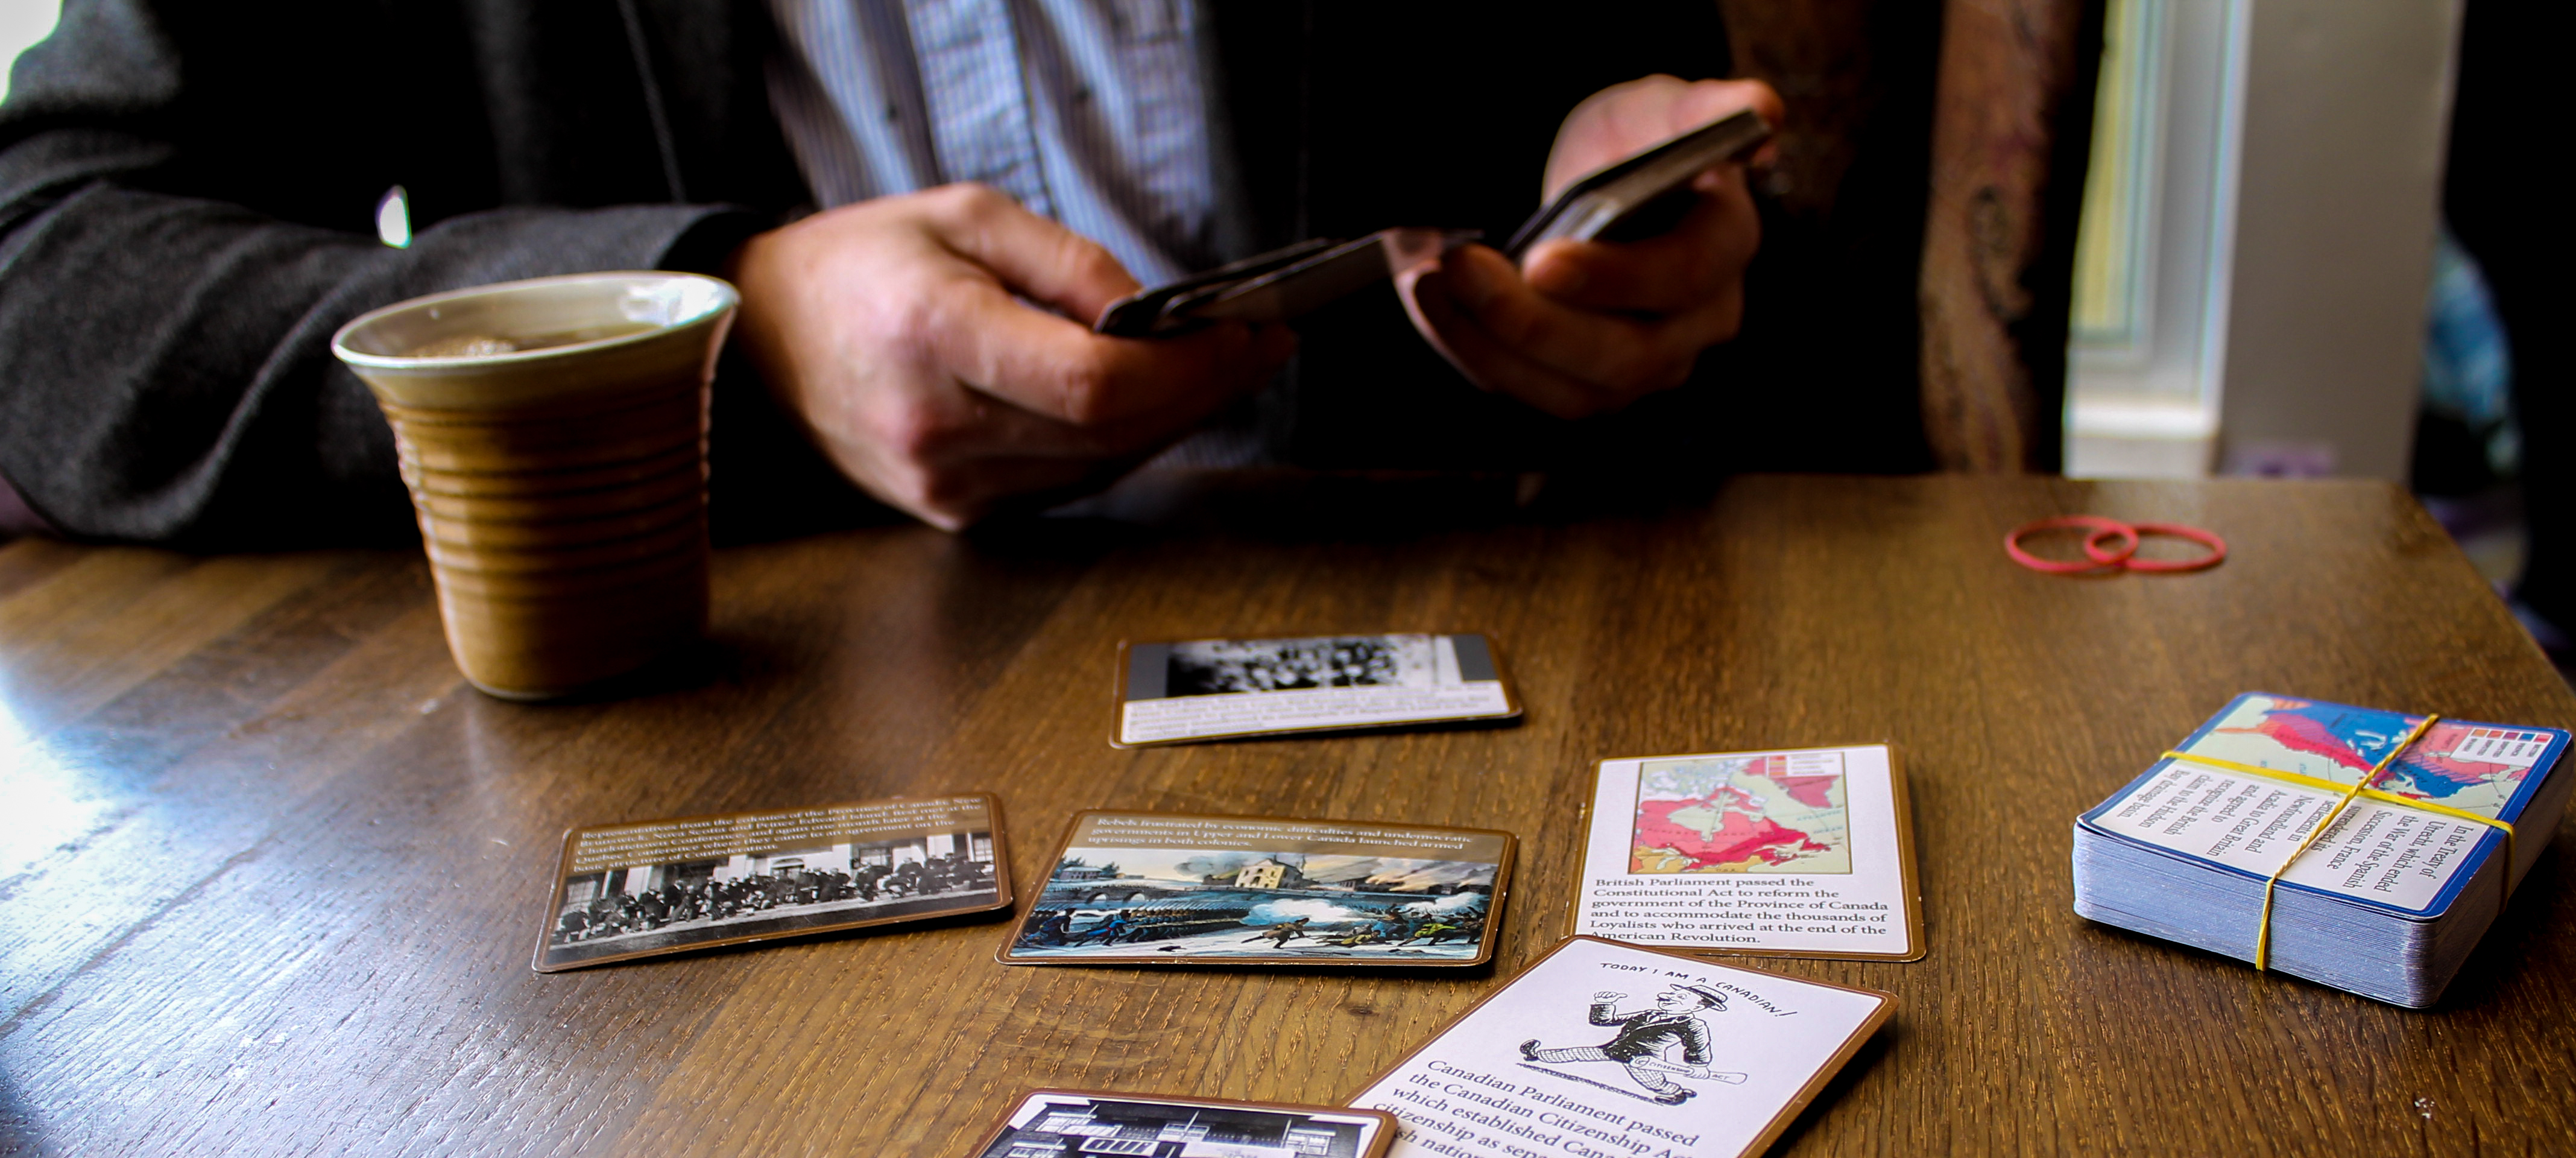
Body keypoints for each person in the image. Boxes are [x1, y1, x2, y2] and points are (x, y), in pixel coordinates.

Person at [0, 2, 1778, 547]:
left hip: (1472, 586)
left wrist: (1615, 192)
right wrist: (719, 323)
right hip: (736, 708)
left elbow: (1625, 148)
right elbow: (45, 257)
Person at [1520, 983, 1733, 1105]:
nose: (1667, 996)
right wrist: (1605, 1004)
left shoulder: (1692, 1025)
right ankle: (1536, 1055)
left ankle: (1675, 1094)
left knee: (1654, 1083)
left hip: (1643, 1060)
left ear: (1699, 1006)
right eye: (1673, 993)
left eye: (1680, 997)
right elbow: (1605, 1022)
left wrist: (1699, 1065)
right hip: (1616, 1048)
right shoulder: (1649, 1013)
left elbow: (1698, 1045)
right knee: (1577, 1053)